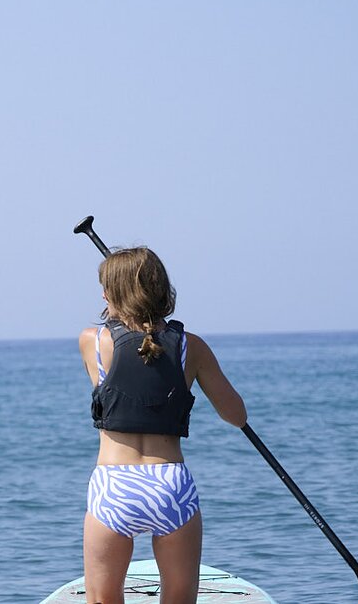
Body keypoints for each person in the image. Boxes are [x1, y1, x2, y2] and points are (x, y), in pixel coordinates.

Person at [76, 247, 248, 604]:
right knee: (179, 599)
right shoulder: (191, 346)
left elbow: (127, 360)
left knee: (102, 600)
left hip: (115, 487)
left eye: (104, 288)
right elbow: (236, 416)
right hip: (171, 486)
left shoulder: (93, 342)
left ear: (112, 294)